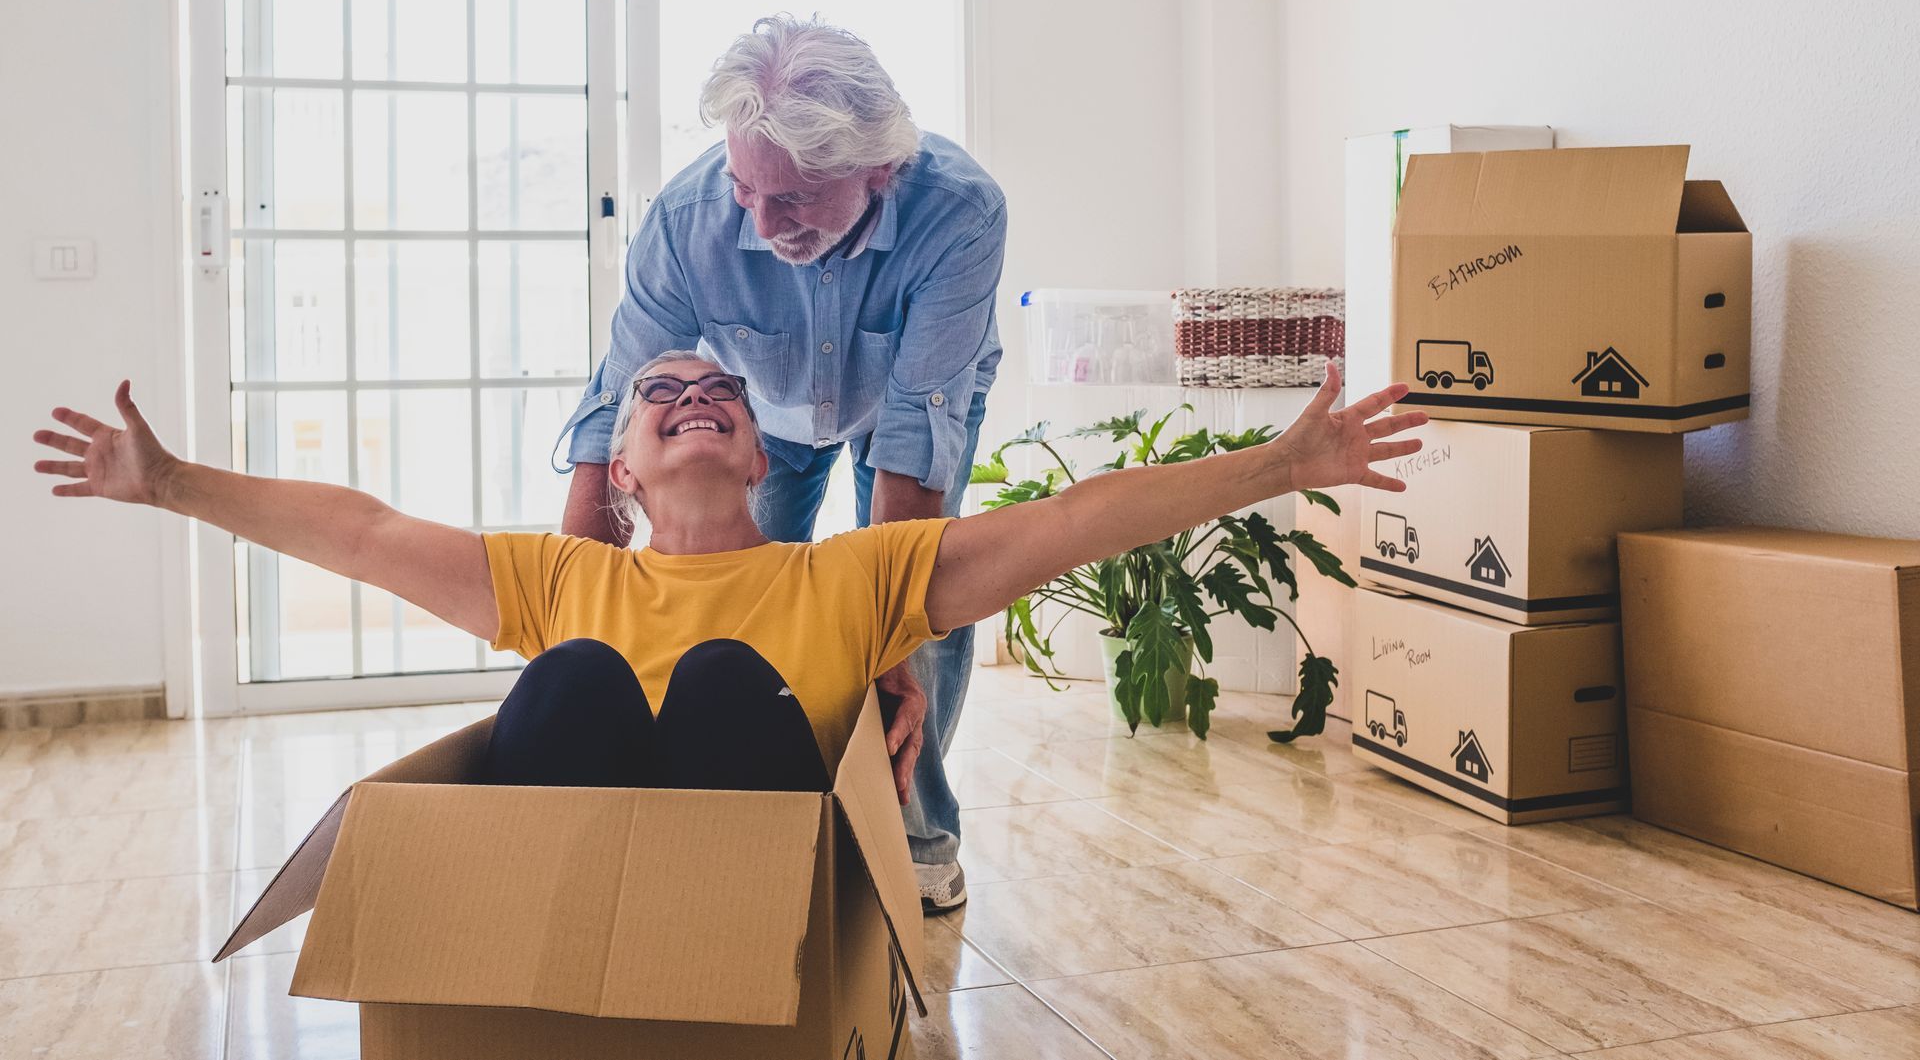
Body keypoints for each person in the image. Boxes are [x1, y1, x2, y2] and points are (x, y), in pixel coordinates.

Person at [32, 357, 1424, 862]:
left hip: (756, 899)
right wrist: (172, 484)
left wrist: (1281, 464)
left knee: (715, 688)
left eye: (724, 395)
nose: (693, 396)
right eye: (659, 395)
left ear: (761, 456)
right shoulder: (563, 578)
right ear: (621, 469)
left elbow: (1073, 520)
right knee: (573, 682)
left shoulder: (858, 577)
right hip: (576, 877)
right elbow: (360, 529)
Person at [555, 16, 1006, 909]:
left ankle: (908, 829)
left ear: (878, 169)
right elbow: (620, 397)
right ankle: (761, 805)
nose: (758, 222)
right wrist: (577, 597)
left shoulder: (961, 211)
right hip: (760, 407)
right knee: (745, 600)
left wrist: (888, 639)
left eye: (791, 202)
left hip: (909, 401)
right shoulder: (690, 221)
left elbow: (916, 438)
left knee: (927, 606)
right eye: (743, 188)